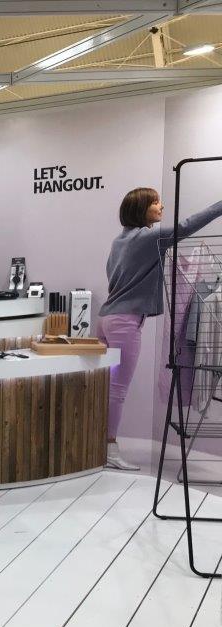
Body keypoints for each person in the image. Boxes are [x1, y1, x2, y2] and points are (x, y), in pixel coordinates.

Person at [98, 188, 222, 471]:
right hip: (125, 322)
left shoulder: (120, 241)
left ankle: (99, 445)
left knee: (104, 386)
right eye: (154, 202)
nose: (161, 206)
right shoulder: (149, 238)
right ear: (141, 209)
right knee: (117, 389)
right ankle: (109, 449)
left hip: (107, 318)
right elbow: (186, 226)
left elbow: (112, 278)